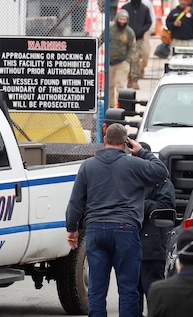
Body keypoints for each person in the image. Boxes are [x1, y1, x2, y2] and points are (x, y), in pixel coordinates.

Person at [65, 124, 168, 317]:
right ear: (126, 143)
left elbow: (75, 202)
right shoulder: (134, 164)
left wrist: (72, 230)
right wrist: (142, 152)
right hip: (125, 231)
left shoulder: (88, 166)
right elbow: (161, 172)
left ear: (104, 140)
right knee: (128, 289)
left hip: (96, 231)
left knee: (96, 289)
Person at [137, 144, 175, 317]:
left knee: (153, 294)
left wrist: (139, 204)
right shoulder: (130, 179)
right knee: (131, 295)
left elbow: (166, 207)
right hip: (130, 247)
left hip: (152, 249)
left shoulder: (162, 182)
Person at [123, 0, 153, 90]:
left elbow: (148, 22)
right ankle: (128, 78)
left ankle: (134, 79)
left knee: (136, 58)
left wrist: (142, 30)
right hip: (127, 38)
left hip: (139, 38)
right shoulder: (126, 8)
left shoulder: (144, 8)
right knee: (128, 59)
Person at [108, 9, 136, 105]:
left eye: (124, 20)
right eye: (121, 19)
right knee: (110, 86)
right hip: (110, 62)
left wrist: (127, 60)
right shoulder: (110, 30)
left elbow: (132, 47)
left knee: (120, 85)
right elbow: (100, 40)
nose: (122, 21)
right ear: (117, 19)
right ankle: (111, 106)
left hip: (122, 62)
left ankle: (120, 106)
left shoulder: (129, 32)